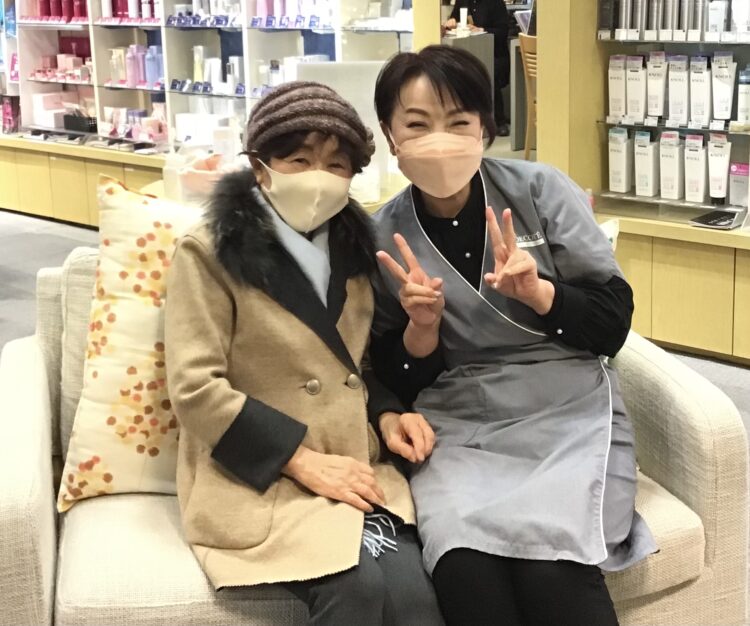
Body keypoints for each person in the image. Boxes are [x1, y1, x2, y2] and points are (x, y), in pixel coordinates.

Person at [369, 46, 657, 625]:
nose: (439, 141)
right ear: (390, 137)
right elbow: (390, 374)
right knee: (463, 567)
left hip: (565, 409)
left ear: (485, 128)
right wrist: (422, 330)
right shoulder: (382, 234)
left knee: (552, 567)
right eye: (417, 125)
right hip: (461, 424)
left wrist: (541, 295)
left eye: (458, 122)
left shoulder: (540, 191)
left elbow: (612, 324)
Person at [164, 81, 443, 626]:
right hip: (261, 469)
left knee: (416, 600)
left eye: (337, 165)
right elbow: (195, 388)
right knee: (355, 589)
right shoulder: (208, 252)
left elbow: (356, 364)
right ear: (260, 166)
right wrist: (301, 461)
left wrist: (388, 414)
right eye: (299, 160)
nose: (319, 177)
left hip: (351, 461)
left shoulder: (355, 250)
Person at [444, 0, 511, 135]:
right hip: (468, 50)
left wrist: (482, 30)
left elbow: (503, 32)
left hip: (494, 53)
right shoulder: (462, 1)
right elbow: (454, 20)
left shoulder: (495, 3)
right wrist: (451, 23)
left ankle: (499, 120)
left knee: (488, 73)